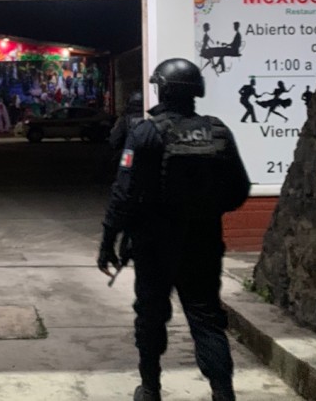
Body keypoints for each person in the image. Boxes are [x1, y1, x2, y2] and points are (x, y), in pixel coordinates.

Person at [98, 58, 250, 401]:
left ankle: (150, 389)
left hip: (154, 243)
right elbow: (239, 189)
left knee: (151, 316)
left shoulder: (146, 132)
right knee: (206, 318)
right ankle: (223, 393)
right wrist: (206, 210)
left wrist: (108, 239)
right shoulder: (218, 132)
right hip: (203, 242)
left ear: (163, 90)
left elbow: (123, 193)